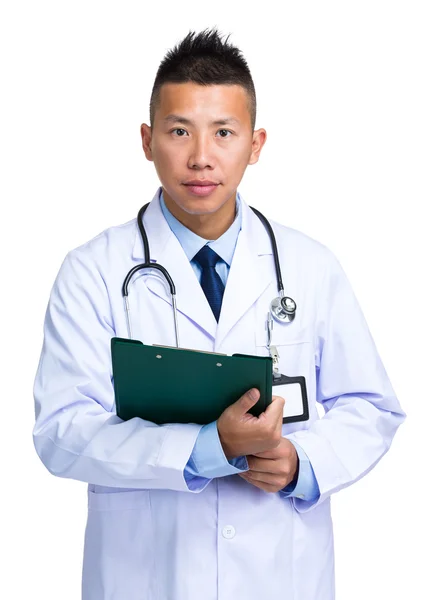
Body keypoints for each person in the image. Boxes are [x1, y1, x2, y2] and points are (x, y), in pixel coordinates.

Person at [33, 27, 406, 600]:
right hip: (146, 578)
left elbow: (372, 407)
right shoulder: (94, 272)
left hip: (280, 575)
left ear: (255, 145)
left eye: (223, 133)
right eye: (179, 131)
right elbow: (62, 431)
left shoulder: (310, 267)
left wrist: (301, 464)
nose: (201, 157)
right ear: (146, 139)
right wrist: (210, 449)